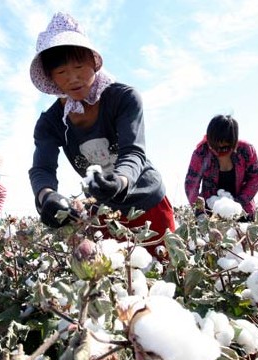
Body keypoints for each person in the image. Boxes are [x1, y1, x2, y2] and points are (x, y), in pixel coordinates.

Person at [28, 12, 175, 254]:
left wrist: (120, 180)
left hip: (146, 202)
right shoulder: (50, 122)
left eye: (79, 67)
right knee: (114, 281)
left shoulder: (123, 98)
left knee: (166, 272)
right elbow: (42, 169)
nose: (73, 78)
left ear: (93, 62)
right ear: (51, 77)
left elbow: (133, 152)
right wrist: (46, 196)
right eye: (62, 72)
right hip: (103, 214)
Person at [184, 114, 258, 221]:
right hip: (210, 213)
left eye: (225, 148)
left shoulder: (246, 150)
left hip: (242, 211)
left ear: (234, 142)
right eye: (214, 147)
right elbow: (191, 184)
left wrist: (238, 203)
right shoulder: (201, 153)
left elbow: (255, 178)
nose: (219, 151)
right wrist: (200, 211)